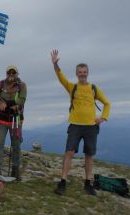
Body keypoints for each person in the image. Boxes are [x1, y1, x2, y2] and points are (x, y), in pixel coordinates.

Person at [51, 49, 111, 196]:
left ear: (87, 73)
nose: (82, 74)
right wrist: (55, 65)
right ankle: (63, 182)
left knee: (89, 155)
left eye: (84, 71)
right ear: (77, 73)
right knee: (69, 152)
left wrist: (103, 118)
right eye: (80, 72)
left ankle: (88, 183)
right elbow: (61, 78)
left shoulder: (94, 89)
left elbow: (107, 103)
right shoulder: (73, 87)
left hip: (91, 126)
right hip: (75, 126)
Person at [0, 65, 27, 181]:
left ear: (17, 73)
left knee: (16, 145)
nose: (11, 74)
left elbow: (22, 100)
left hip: (16, 120)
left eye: (13, 72)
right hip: (1, 119)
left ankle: (15, 171)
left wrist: (7, 103)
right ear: (6, 73)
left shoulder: (22, 85)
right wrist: (0, 104)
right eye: (9, 72)